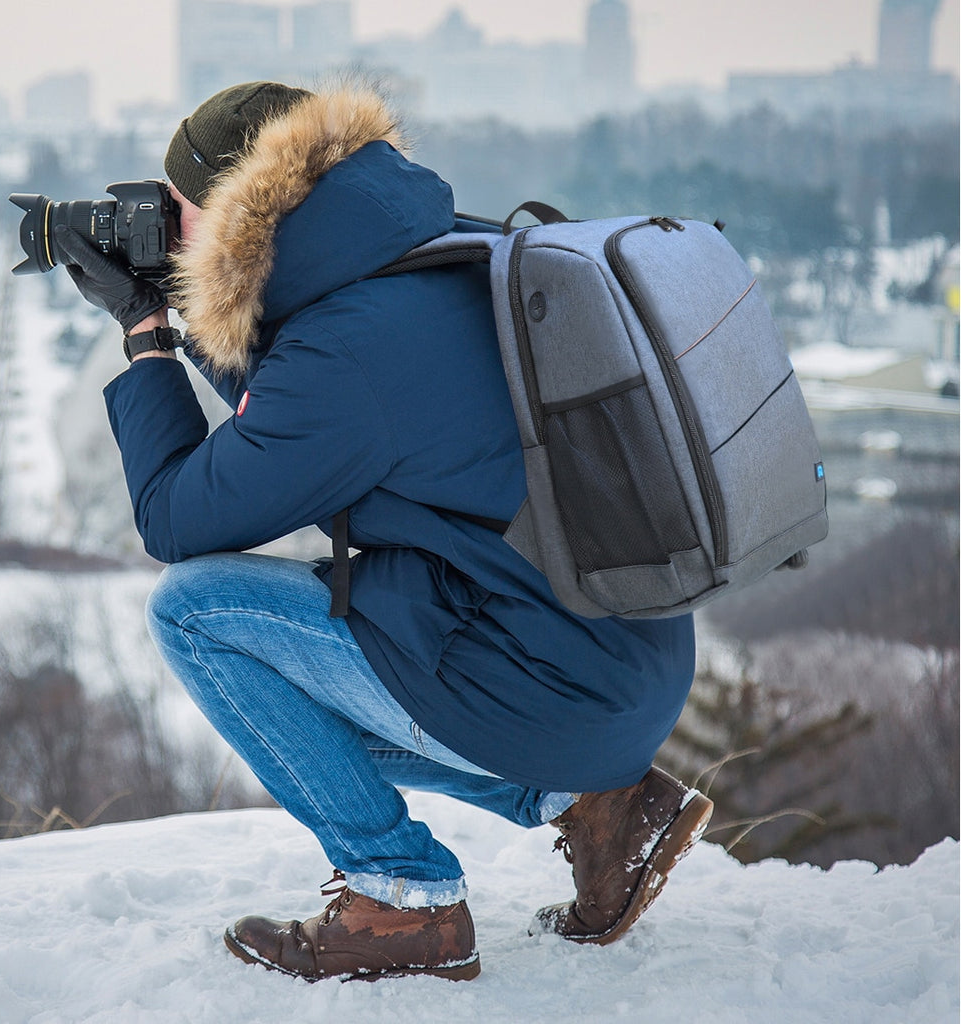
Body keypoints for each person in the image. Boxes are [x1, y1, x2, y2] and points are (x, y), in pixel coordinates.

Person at [53, 81, 713, 983]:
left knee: (196, 615)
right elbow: (296, 396)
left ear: (235, 209)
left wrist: (144, 334)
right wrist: (189, 299)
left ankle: (403, 899)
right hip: (618, 658)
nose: (165, 230)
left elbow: (177, 515)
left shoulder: (343, 356)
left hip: (553, 678)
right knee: (305, 712)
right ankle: (600, 804)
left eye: (175, 213)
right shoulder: (438, 249)